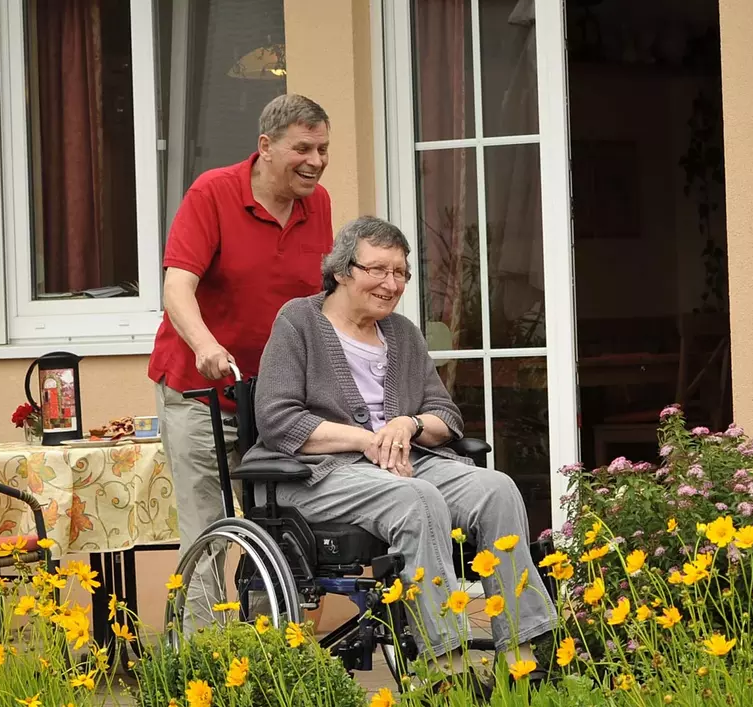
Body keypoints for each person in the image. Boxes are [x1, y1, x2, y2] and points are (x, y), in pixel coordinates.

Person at [247, 216, 557, 685]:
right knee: (416, 499)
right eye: (378, 270)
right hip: (315, 475)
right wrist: (367, 439)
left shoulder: (403, 334)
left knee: (496, 489)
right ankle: (446, 666)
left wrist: (406, 423)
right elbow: (277, 419)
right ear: (342, 271)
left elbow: (445, 417)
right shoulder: (298, 322)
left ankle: (522, 653)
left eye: (400, 273)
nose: (391, 284)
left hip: (403, 464)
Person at [149, 94, 332, 623]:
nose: (315, 161)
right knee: (208, 530)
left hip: (275, 399)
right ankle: (201, 657)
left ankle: (272, 649)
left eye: (323, 149)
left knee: (278, 522)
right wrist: (206, 344)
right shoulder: (214, 192)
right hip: (201, 390)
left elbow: (321, 302)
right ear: (266, 146)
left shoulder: (317, 204)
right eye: (303, 148)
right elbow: (177, 286)